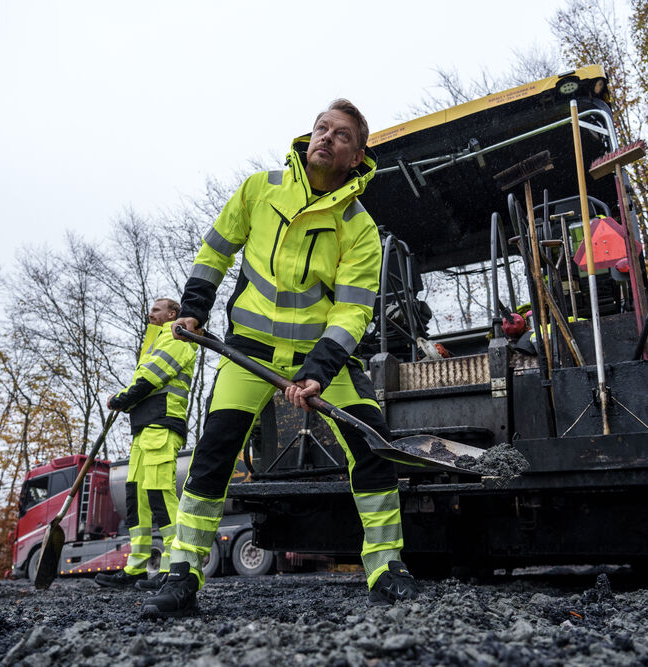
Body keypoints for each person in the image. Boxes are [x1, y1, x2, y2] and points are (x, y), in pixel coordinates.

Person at [141, 99, 420, 619]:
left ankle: (386, 567)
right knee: (215, 452)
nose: (325, 137)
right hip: (247, 350)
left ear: (357, 157)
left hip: (322, 360)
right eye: (321, 128)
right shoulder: (259, 189)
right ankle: (182, 573)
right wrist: (196, 308)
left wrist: (317, 372)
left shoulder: (359, 228)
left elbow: (352, 311)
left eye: (340, 135)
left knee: (371, 444)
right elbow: (215, 251)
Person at [94, 298, 197, 591]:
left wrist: (121, 399)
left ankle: (174, 566)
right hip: (143, 430)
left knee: (161, 496)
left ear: (172, 314)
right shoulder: (153, 343)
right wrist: (127, 399)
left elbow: (150, 379)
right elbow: (142, 378)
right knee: (136, 498)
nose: (149, 313)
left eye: (156, 310)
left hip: (163, 426)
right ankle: (137, 566)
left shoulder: (179, 338)